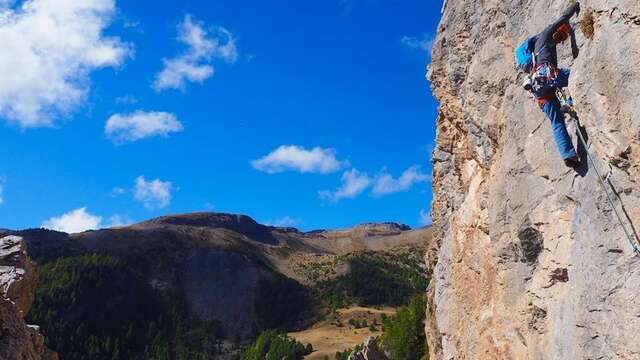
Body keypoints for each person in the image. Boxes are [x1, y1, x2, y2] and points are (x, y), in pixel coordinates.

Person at [522, 2, 581, 167]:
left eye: (564, 37)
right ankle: (569, 103)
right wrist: (574, 6)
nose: (562, 38)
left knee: (556, 122)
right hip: (547, 77)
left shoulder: (534, 55)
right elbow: (562, 18)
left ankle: (569, 155)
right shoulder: (544, 35)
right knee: (578, 74)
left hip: (540, 91)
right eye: (562, 34)